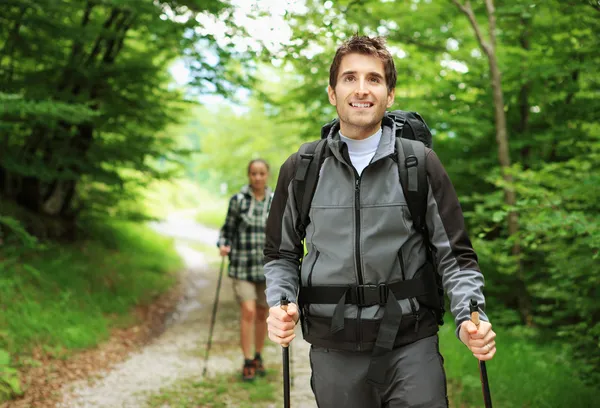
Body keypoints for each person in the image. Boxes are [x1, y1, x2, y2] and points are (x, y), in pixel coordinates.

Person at [263, 35, 497, 407]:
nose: (361, 89)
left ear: (390, 95)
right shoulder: (302, 169)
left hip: (411, 344)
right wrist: (281, 302)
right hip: (332, 347)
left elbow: (454, 256)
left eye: (374, 79)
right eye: (349, 78)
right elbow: (281, 254)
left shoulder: (418, 163)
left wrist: (472, 315)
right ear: (331, 92)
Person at [217, 158, 274, 382]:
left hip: (267, 267)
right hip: (242, 265)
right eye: (253, 173)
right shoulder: (238, 201)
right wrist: (223, 244)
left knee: (262, 313)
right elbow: (226, 230)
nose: (257, 177)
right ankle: (247, 359)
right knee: (248, 311)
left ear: (267, 175)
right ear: (248, 176)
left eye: (261, 173)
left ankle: (259, 355)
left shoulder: (276, 200)